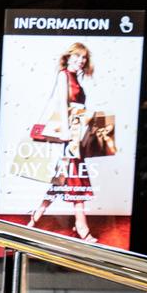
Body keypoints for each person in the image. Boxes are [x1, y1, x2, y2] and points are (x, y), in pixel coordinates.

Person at [26, 43, 104, 243]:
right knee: (74, 179)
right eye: (77, 56)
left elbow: (75, 108)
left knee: (63, 179)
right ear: (68, 57)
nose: (81, 60)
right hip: (67, 135)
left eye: (84, 58)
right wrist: (66, 132)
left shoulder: (75, 78)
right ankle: (81, 226)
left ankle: (35, 218)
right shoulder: (63, 75)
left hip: (74, 133)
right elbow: (60, 103)